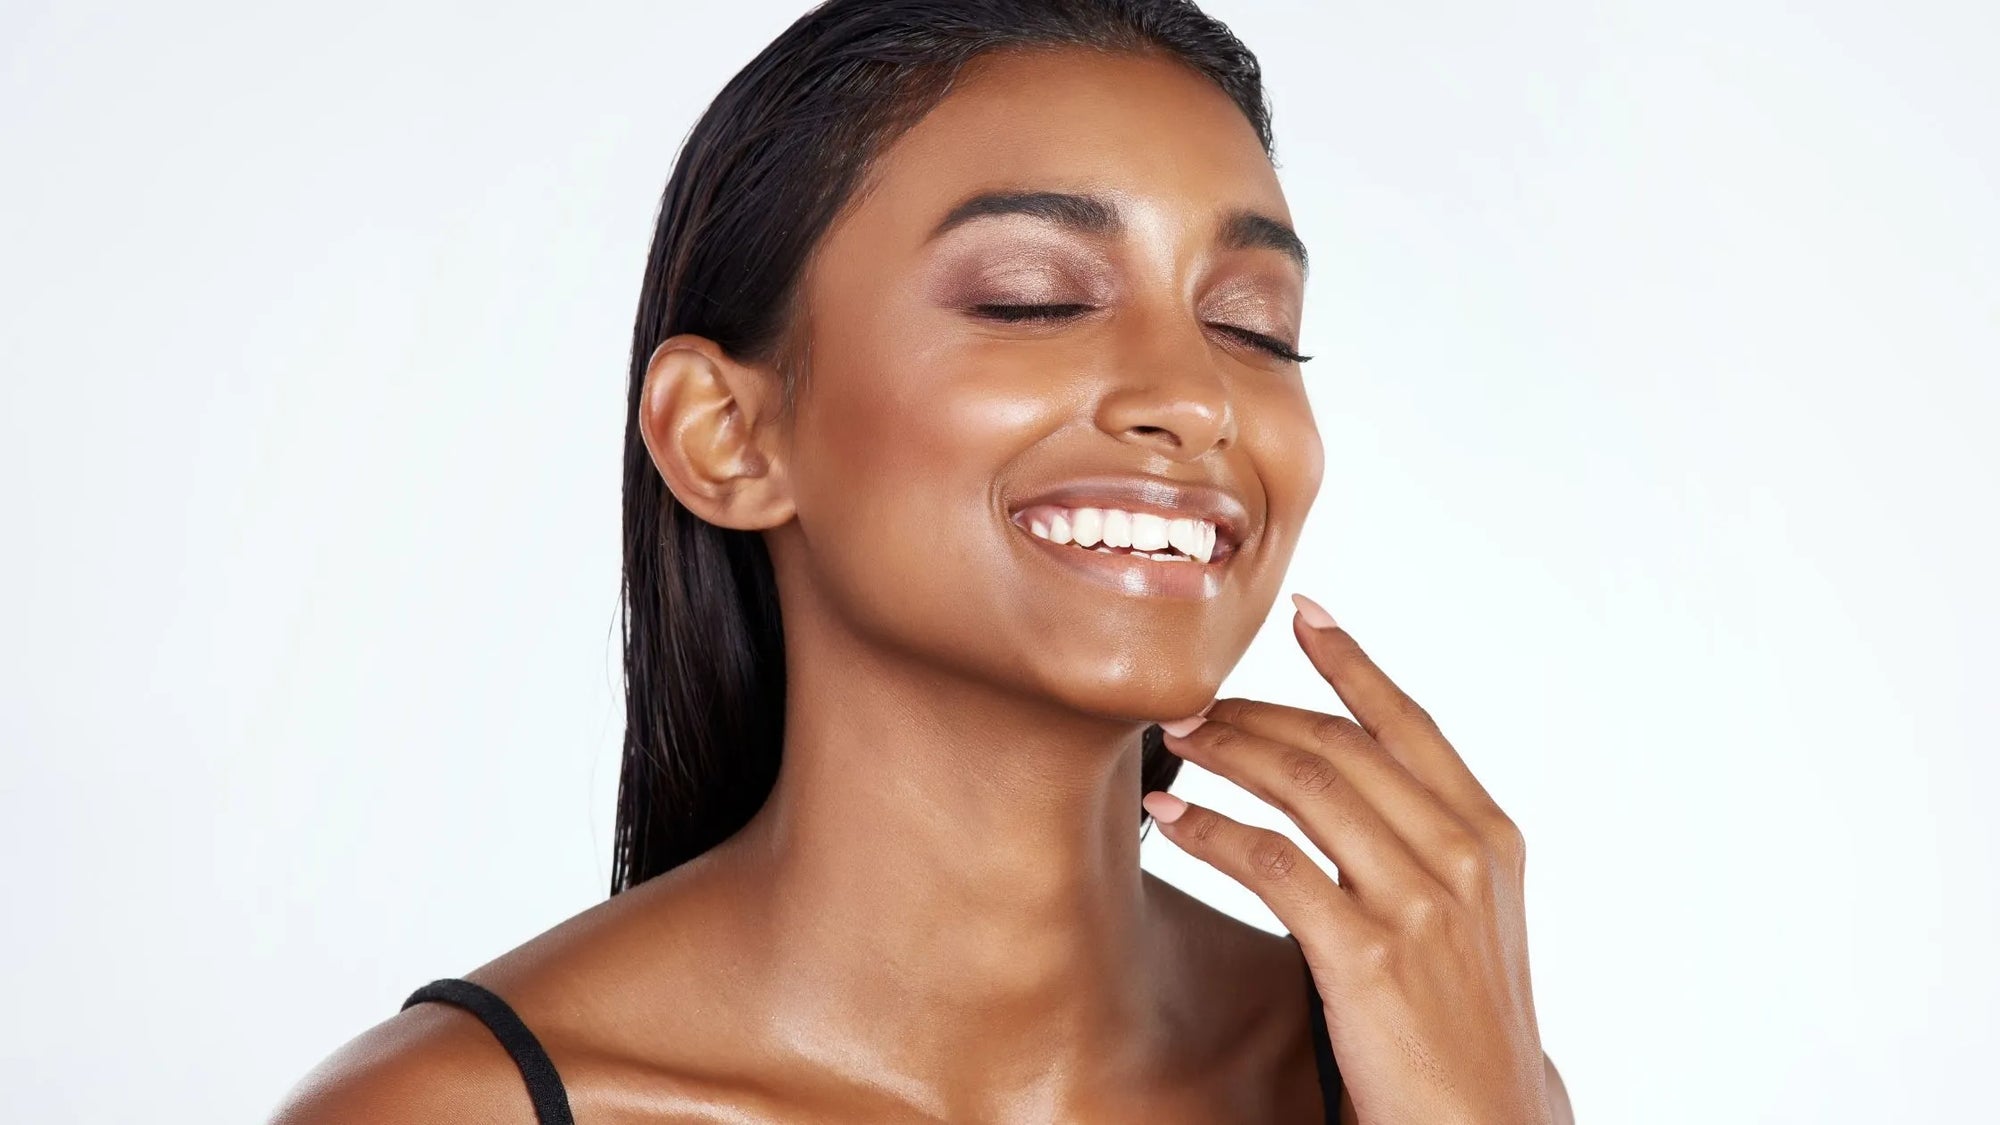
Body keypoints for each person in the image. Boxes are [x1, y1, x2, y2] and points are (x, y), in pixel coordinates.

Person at [273, 1, 1571, 1121]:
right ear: (726, 435)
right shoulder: (452, 1110)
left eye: (1254, 328)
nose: (1196, 398)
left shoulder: (1403, 1067)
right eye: (1033, 298)